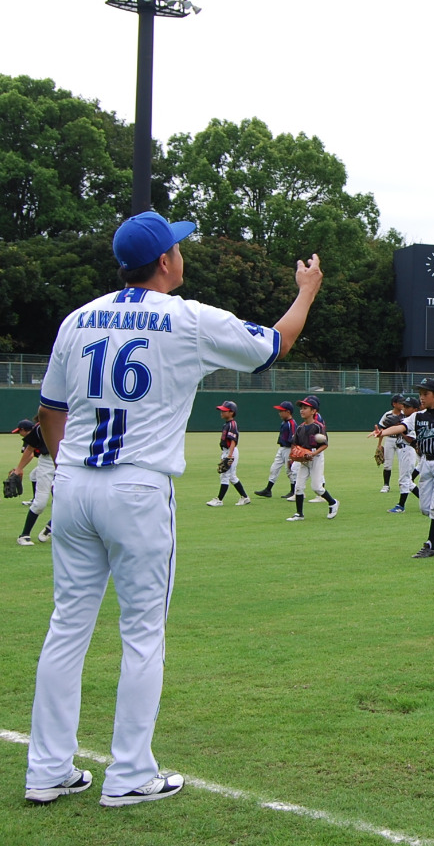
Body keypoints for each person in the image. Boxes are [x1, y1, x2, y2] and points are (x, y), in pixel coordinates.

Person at [25, 210, 321, 807]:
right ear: (164, 261)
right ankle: (130, 774)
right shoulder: (187, 317)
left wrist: (68, 468)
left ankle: (48, 771)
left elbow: (50, 411)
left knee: (66, 629)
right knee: (141, 634)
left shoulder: (76, 319)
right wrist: (306, 290)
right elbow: (276, 344)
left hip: (75, 482)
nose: (182, 254)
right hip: (138, 488)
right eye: (178, 248)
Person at [373, 377, 434, 558]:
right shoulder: (417, 416)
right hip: (425, 463)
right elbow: (401, 427)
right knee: (425, 508)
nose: (421, 397)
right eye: (420, 394)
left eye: (425, 393)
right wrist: (382, 432)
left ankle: (429, 546)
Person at [286, 395, 339, 522]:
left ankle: (333, 503)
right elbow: (295, 444)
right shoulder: (300, 428)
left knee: (316, 487)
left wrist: (313, 454)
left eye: (305, 408)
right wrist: (295, 455)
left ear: (313, 411)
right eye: (301, 408)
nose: (302, 410)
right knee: (298, 486)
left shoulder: (318, 426)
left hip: (316, 457)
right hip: (304, 458)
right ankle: (299, 514)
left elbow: (325, 445)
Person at [11, 418, 54, 545]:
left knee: (69, 502)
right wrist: (18, 469)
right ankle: (24, 535)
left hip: (67, 463)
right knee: (40, 503)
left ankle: (50, 527)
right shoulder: (40, 427)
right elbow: (29, 449)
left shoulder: (73, 424)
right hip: (47, 463)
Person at [205, 400, 251, 508]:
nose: (221, 412)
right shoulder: (227, 424)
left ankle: (219, 500)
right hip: (227, 451)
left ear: (231, 412)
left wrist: (229, 456)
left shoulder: (232, 425)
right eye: (221, 410)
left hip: (231, 451)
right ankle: (245, 497)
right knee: (232, 476)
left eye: (224, 411)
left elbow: (233, 441)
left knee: (225, 476)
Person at [254, 401, 298, 499]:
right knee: (274, 468)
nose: (279, 413)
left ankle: (293, 491)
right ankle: (268, 490)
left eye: (281, 411)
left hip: (289, 449)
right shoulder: (284, 422)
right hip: (282, 448)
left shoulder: (292, 423)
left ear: (288, 412)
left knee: (290, 470)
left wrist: (292, 454)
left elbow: (294, 440)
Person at [387, 395, 421, 514]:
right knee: (408, 481)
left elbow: (411, 439)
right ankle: (426, 500)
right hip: (402, 450)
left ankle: (401, 506)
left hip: (408, 450)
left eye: (407, 407)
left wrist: (399, 429)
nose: (404, 408)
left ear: (415, 409)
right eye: (404, 406)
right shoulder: (405, 420)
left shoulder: (414, 422)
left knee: (404, 479)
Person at [375, 394, 406, 493]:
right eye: (400, 402)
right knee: (387, 464)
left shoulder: (405, 414)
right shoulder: (387, 414)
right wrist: (379, 445)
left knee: (403, 463)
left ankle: (404, 484)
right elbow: (382, 430)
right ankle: (386, 485)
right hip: (389, 440)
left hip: (401, 440)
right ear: (394, 404)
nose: (402, 404)